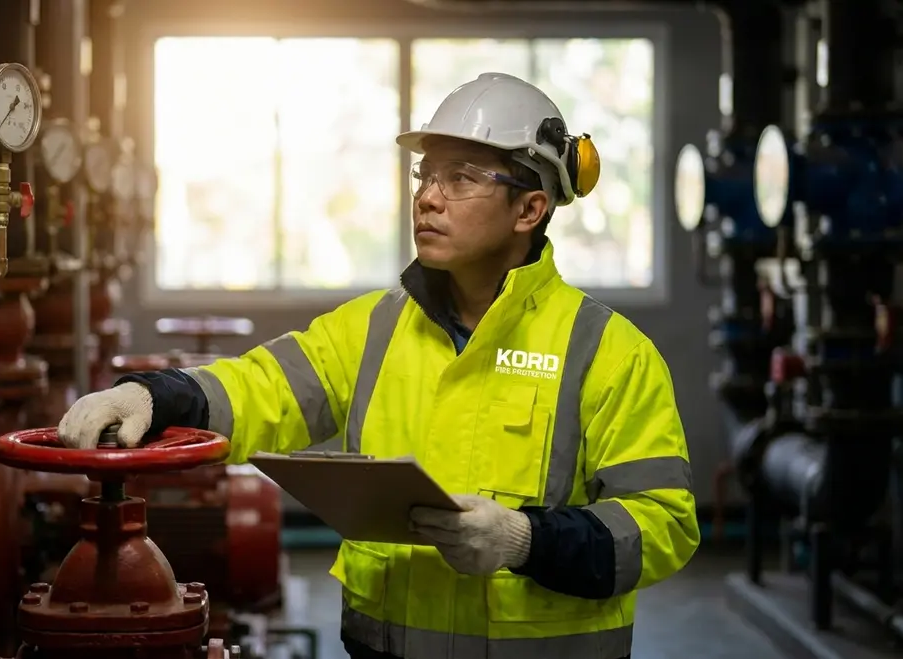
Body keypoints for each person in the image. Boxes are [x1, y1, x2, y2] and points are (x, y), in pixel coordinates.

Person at [58, 72, 700, 659]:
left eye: (463, 177)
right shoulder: (374, 328)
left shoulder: (610, 353)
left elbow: (662, 526)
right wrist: (157, 395)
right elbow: (262, 388)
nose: (427, 198)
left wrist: (525, 540)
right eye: (427, 174)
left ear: (530, 210)